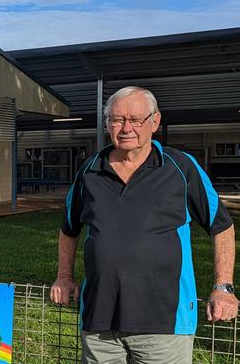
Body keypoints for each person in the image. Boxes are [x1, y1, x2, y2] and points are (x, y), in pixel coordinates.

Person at [50, 86, 238, 363]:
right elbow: (69, 230)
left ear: (155, 121)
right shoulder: (89, 171)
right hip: (99, 321)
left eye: (135, 119)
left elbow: (221, 226)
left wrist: (224, 288)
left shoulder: (181, 168)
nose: (126, 128)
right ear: (107, 124)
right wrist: (64, 277)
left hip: (164, 324)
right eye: (116, 119)